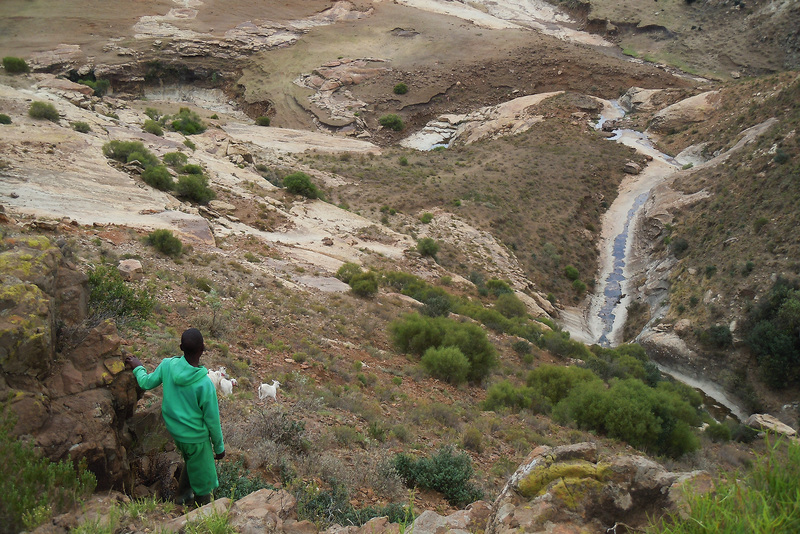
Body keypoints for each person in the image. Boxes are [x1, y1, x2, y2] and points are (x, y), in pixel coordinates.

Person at [125, 328, 225, 506]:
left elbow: (146, 382)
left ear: (180, 347)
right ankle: (204, 511)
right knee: (205, 483)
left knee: (191, 459)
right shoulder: (204, 384)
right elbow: (212, 420)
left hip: (177, 433)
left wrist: (138, 367)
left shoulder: (167, 365)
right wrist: (219, 447)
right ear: (203, 348)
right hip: (196, 438)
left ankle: (182, 497)